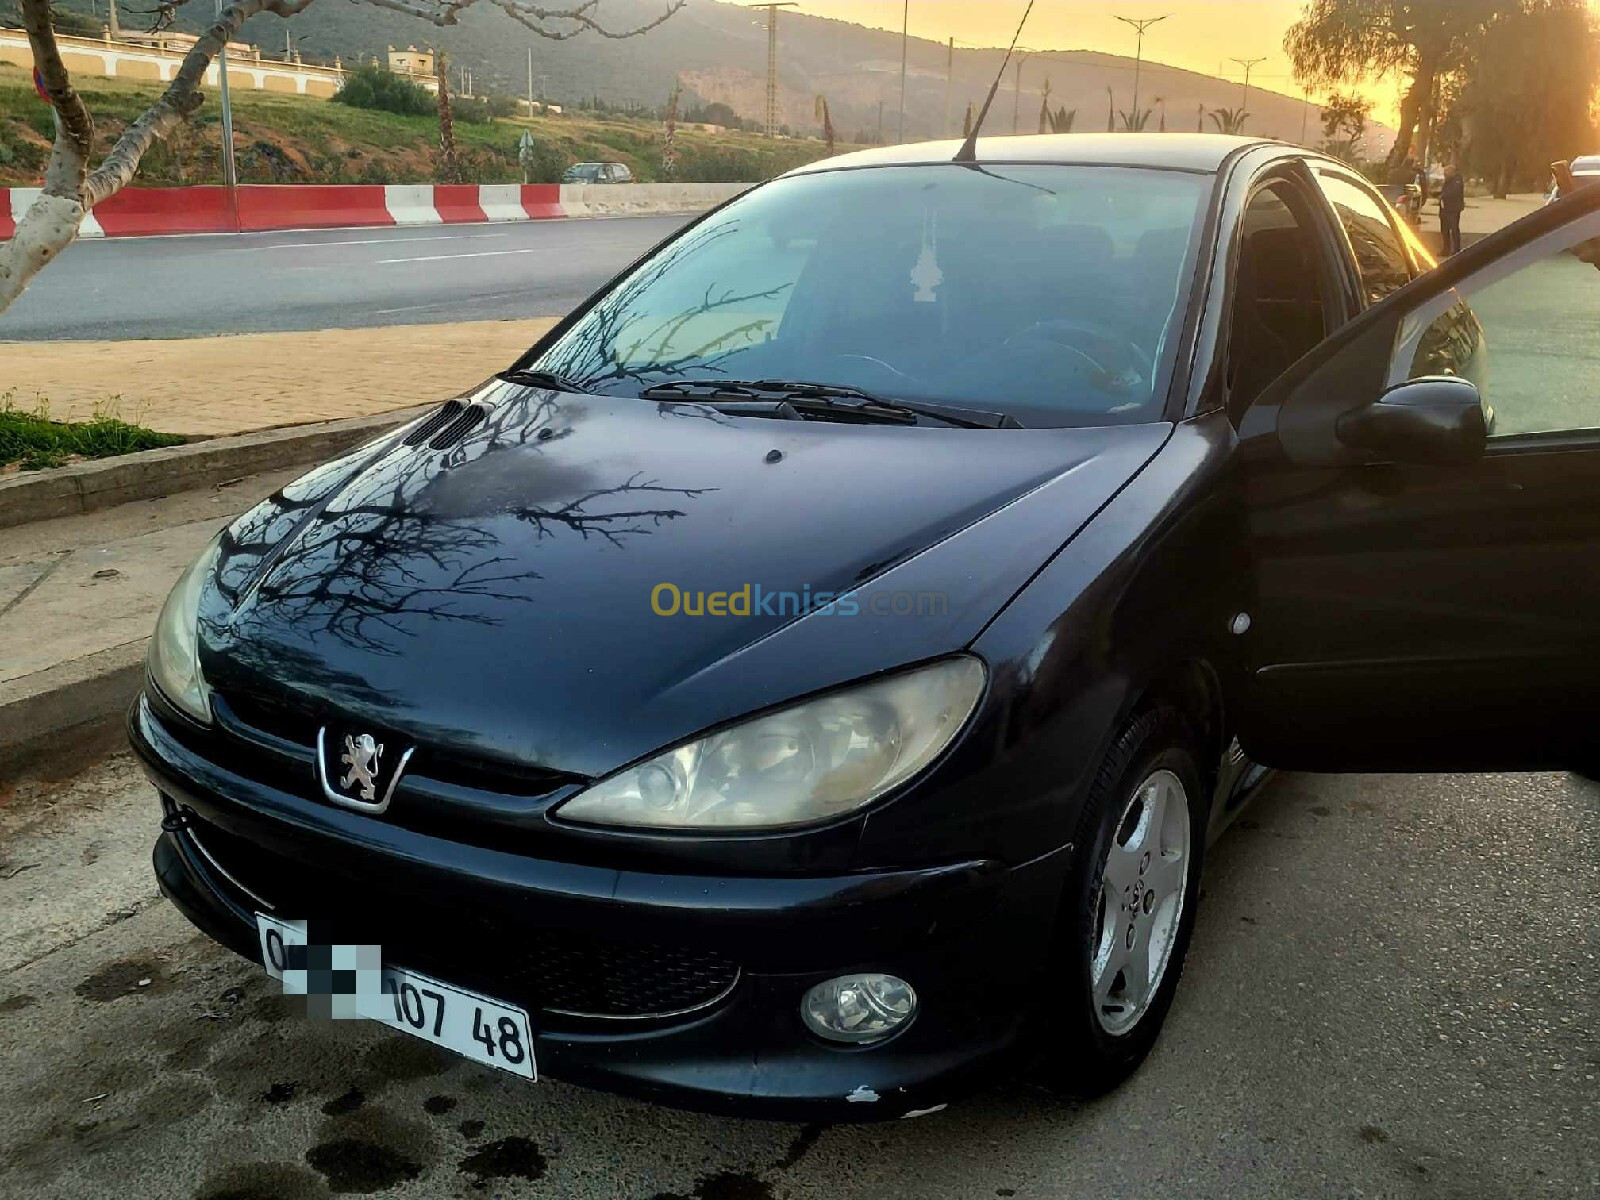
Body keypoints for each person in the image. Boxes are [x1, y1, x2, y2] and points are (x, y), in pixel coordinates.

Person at [1439, 163, 1465, 256]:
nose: (1445, 173)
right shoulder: (1447, 180)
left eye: (1446, 171)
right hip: (1444, 208)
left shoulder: (1457, 180)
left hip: (1453, 209)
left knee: (1454, 229)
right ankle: (1446, 249)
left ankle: (1457, 250)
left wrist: (1442, 195)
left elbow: (1454, 191)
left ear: (1452, 172)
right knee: (1444, 229)